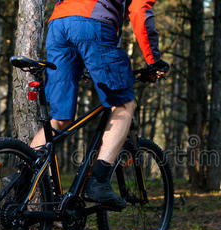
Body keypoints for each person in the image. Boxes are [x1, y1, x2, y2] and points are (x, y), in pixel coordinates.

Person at [29, 0, 169, 210]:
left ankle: (23, 179)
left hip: (58, 25)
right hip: (92, 24)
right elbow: (141, 10)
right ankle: (99, 181)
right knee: (123, 104)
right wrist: (153, 61)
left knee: (60, 118)